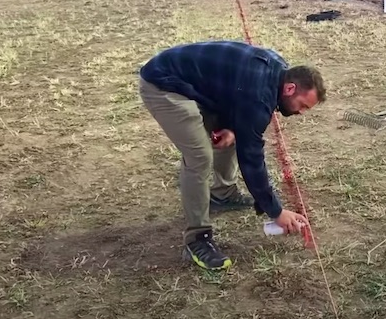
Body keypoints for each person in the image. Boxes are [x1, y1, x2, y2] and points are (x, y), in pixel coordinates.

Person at [137, 40, 326, 270]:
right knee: (199, 156)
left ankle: (222, 194)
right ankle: (197, 239)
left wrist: (230, 126)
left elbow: (235, 93)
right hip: (163, 84)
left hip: (192, 83)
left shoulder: (279, 71)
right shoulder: (259, 97)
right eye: (303, 106)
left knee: (231, 132)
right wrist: (275, 211)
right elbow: (252, 158)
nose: (301, 113)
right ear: (289, 89)